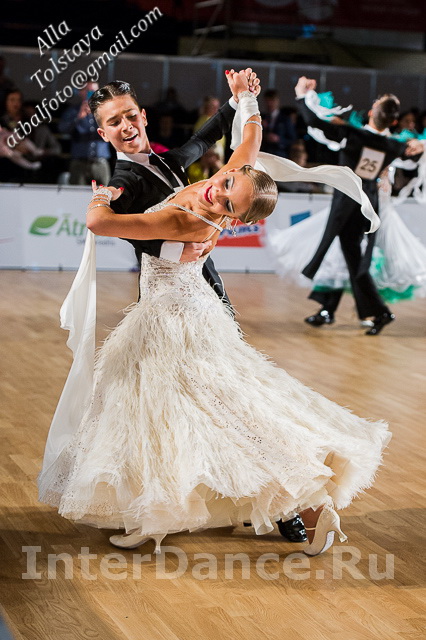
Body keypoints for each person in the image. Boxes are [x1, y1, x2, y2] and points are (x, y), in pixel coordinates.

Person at [38, 72, 391, 557]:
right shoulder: (130, 180)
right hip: (174, 307)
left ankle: (292, 503)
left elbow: (207, 142)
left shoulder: (180, 169)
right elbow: (229, 157)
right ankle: (158, 509)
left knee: (214, 408)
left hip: (189, 310)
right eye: (113, 122)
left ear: (143, 116)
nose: (125, 126)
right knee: (160, 410)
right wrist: (244, 102)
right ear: (102, 132)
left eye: (129, 116)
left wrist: (239, 101)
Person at [295, 77, 424, 335]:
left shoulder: (354, 135)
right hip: (368, 207)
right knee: (352, 258)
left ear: (374, 111)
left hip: (347, 206)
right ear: (393, 121)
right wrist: (419, 145)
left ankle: (361, 310)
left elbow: (314, 122)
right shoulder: (393, 145)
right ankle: (359, 310)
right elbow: (412, 152)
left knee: (348, 258)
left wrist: (301, 96)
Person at [58, 82, 111, 185]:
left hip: (100, 162)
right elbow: (62, 129)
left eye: (95, 91)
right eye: (88, 91)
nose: (92, 94)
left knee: (105, 193)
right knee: (77, 193)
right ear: (80, 92)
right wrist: (78, 117)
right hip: (79, 162)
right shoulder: (73, 111)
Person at [260, 89, 297, 158]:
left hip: (279, 154)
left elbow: (292, 139)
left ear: (277, 101)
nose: (269, 103)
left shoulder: (285, 119)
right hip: (264, 153)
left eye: (272, 100)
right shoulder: (261, 117)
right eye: (267, 101)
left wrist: (279, 139)